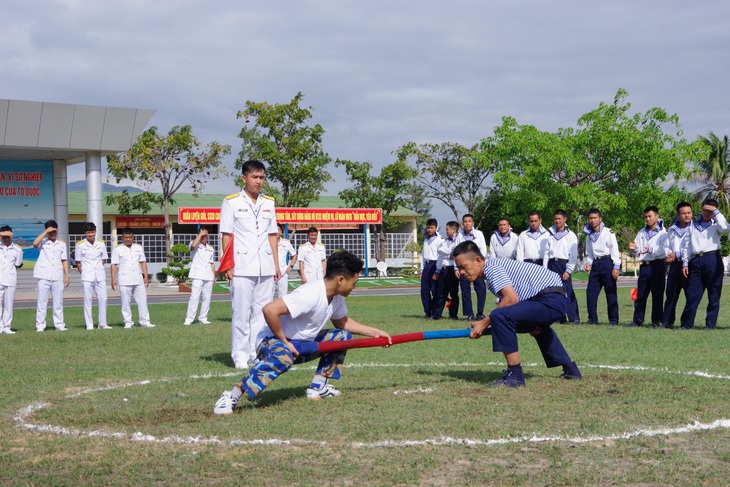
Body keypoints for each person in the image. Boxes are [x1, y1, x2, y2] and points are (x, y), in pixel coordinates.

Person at [213, 250, 392, 414]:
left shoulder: (336, 296)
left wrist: (375, 332)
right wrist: (284, 341)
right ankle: (231, 396)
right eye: (354, 282)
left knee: (342, 337)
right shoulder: (311, 294)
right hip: (271, 340)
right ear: (340, 280)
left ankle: (318, 387)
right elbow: (269, 310)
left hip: (303, 344)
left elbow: (342, 323)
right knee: (283, 356)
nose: (354, 287)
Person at [453, 241, 581, 388]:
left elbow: (511, 299)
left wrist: (483, 323)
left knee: (499, 317)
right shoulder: (495, 268)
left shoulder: (492, 267)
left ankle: (515, 375)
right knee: (536, 329)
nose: (461, 272)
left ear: (478, 260)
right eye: (458, 268)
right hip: (552, 299)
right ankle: (571, 370)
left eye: (463, 267)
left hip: (549, 300)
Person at [220, 160, 280, 369]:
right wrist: (228, 265)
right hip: (242, 265)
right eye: (254, 177)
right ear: (244, 178)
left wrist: (276, 264)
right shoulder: (232, 202)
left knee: (262, 313)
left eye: (262, 177)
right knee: (241, 312)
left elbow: (272, 234)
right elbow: (226, 235)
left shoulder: (269, 203)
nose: (259, 182)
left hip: (265, 265)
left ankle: (256, 352)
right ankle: (240, 355)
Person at [680, 198, 730, 330]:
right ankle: (687, 323)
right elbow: (687, 246)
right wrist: (685, 263)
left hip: (712, 258)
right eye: (705, 210)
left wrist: (716, 212)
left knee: (714, 293)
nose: (706, 213)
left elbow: (725, 228)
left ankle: (710, 324)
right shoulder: (692, 226)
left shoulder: (716, 225)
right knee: (692, 294)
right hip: (696, 260)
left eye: (710, 211)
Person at [626, 206, 667, 327]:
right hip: (645, 266)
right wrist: (633, 249)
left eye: (650, 216)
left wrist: (649, 250)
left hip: (658, 265)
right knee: (641, 295)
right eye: (646, 217)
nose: (647, 219)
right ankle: (637, 320)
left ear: (657, 216)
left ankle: (656, 321)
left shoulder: (663, 233)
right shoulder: (642, 232)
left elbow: (663, 250)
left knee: (657, 295)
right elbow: (638, 249)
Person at [110, 228, 155, 329]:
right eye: (126, 237)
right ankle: (128, 322)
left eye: (130, 237)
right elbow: (114, 265)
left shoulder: (138, 248)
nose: (128, 239)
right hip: (124, 279)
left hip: (138, 278)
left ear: (133, 237)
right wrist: (113, 279)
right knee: (125, 302)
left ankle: (145, 321)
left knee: (142, 300)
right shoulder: (117, 249)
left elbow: (143, 262)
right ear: (122, 238)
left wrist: (146, 276)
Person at [583, 209, 621, 325]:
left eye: (595, 218)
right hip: (596, 264)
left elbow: (614, 249)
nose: (593, 220)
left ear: (600, 219)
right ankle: (592, 319)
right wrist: (588, 263)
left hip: (607, 262)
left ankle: (613, 320)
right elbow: (589, 252)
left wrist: (616, 267)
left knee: (610, 293)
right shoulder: (588, 234)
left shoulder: (608, 232)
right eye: (590, 218)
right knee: (591, 293)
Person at [543, 210, 580, 323]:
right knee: (554, 292)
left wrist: (568, 270)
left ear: (565, 219)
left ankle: (573, 318)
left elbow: (573, 255)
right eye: (555, 219)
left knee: (567, 291)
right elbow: (546, 253)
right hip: (552, 264)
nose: (557, 221)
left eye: (560, 219)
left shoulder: (571, 235)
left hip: (563, 264)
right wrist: (545, 269)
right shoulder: (550, 234)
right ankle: (559, 317)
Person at [33, 220, 70, 332]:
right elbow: (34, 244)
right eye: (50, 232)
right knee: (42, 302)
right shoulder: (43, 242)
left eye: (54, 231)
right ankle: (40, 325)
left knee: (58, 302)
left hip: (57, 275)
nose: (52, 234)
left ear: (57, 230)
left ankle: (59, 324)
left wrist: (67, 275)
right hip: (43, 275)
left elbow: (64, 260)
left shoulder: (62, 244)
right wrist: (45, 232)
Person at [661, 202, 693, 329]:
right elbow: (666, 245)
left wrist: (677, 254)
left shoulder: (695, 228)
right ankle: (667, 322)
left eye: (689, 213)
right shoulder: (673, 230)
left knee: (690, 295)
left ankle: (686, 322)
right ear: (678, 215)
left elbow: (692, 247)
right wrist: (669, 255)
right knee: (671, 294)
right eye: (683, 213)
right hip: (675, 265)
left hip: (689, 265)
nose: (687, 215)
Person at [75, 222, 110, 330]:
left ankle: (102, 324)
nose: (91, 235)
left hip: (100, 275)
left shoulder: (101, 244)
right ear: (85, 233)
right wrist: (85, 272)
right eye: (88, 233)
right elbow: (78, 262)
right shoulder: (80, 245)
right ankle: (89, 325)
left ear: (95, 232)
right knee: (88, 300)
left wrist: (97, 269)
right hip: (87, 276)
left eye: (92, 232)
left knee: (103, 299)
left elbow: (103, 259)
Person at [184, 226, 216, 325]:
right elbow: (193, 246)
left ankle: (203, 317)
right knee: (195, 296)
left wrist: (214, 276)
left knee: (207, 297)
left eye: (206, 235)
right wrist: (200, 235)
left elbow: (212, 263)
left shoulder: (210, 248)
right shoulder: (195, 244)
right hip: (197, 274)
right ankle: (189, 318)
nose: (204, 237)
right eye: (203, 235)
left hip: (208, 274)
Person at [459, 214, 487, 321]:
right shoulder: (459, 236)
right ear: (462, 223)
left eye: (469, 221)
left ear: (473, 223)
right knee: (465, 290)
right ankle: (469, 314)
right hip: (464, 267)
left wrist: (481, 265)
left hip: (477, 266)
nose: (467, 223)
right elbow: (456, 253)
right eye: (465, 221)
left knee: (481, 289)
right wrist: (457, 269)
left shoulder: (479, 234)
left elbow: (483, 250)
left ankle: (480, 312)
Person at [433, 221, 463, 320]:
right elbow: (441, 252)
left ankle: (453, 314)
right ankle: (437, 314)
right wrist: (437, 270)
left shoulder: (459, 240)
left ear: (454, 230)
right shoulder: (445, 241)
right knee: (441, 293)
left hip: (453, 270)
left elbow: (457, 253)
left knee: (453, 293)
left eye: (447, 229)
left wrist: (453, 255)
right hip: (444, 269)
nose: (446, 231)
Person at [0, 226, 24, 334]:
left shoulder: (17, 249)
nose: (5, 239)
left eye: (7, 237)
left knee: (9, 304)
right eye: (3, 237)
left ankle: (6, 326)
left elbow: (17, 264)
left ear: (11, 236)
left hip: (10, 278)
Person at [420, 218, 444, 319]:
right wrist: (421, 270)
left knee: (435, 291)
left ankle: (435, 312)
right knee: (424, 291)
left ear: (436, 228)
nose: (429, 230)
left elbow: (440, 256)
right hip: (427, 266)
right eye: (428, 228)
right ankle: (427, 312)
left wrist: (437, 270)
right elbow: (423, 255)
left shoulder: (440, 240)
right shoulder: (426, 240)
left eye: (432, 228)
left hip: (435, 265)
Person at [276, 225, 297, 297]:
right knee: (267, 295)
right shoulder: (268, 242)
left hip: (283, 272)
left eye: (278, 229)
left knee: (283, 296)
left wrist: (290, 267)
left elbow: (294, 255)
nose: (277, 232)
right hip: (270, 272)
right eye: (275, 229)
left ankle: (281, 308)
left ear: (281, 232)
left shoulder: (286, 243)